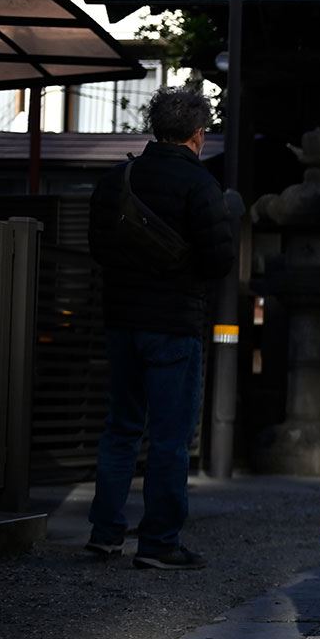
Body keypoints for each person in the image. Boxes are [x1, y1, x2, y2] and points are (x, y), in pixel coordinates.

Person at [85, 87, 234, 570]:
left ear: (155, 129)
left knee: (121, 428)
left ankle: (105, 534)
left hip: (122, 319)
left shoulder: (118, 179)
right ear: (197, 134)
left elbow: (98, 247)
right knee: (170, 437)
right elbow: (218, 259)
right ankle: (158, 542)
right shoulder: (201, 185)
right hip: (173, 323)